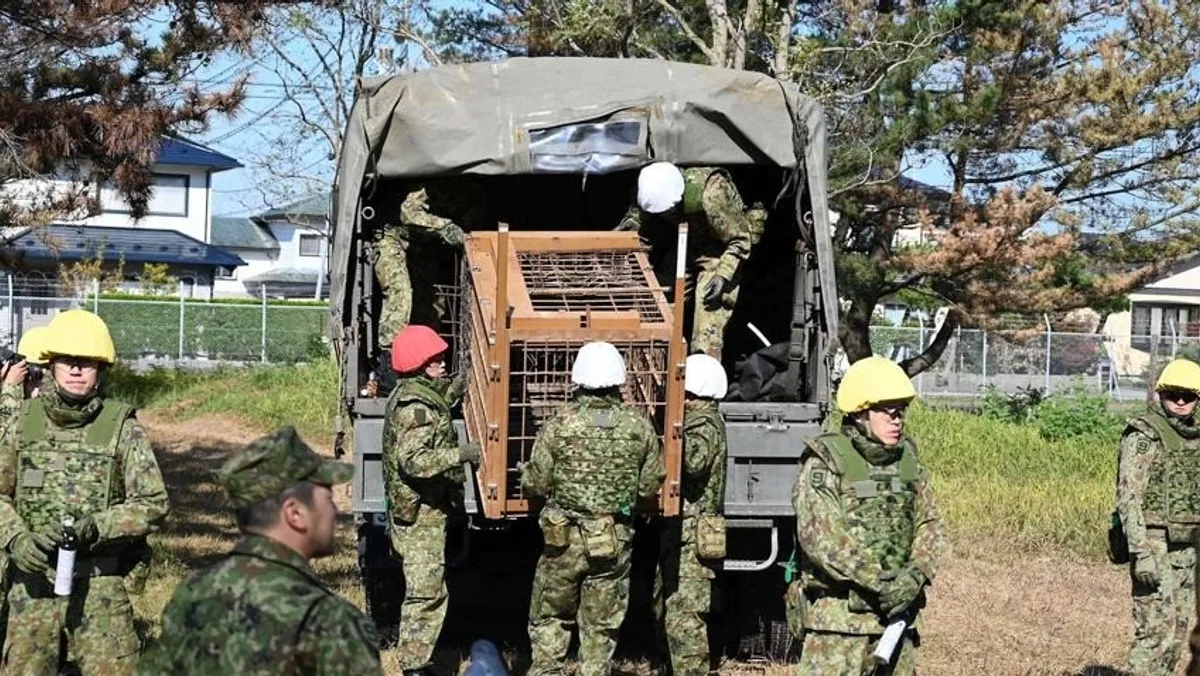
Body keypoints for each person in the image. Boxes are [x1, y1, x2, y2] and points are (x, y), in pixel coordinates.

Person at [136, 426, 382, 676]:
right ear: (295, 514)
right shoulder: (330, 621)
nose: (335, 511)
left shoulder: (193, 593)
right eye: (328, 499)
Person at [0, 309, 169, 674]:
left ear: (101, 369)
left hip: (99, 586)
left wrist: (97, 527)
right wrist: (16, 539)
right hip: (33, 587)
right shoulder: (22, 422)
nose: (77, 370)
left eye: (87, 362)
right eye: (68, 361)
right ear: (51, 365)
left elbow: (153, 503)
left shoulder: (122, 428)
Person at [789, 356, 945, 676]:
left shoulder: (908, 461)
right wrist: (883, 583)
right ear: (861, 413)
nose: (897, 420)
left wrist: (915, 576)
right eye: (888, 411)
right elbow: (822, 540)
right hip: (838, 628)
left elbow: (930, 524)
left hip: (896, 623)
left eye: (901, 411)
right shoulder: (826, 462)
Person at [522, 341, 665, 676]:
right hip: (613, 540)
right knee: (601, 626)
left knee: (550, 617)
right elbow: (649, 486)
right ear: (618, 379)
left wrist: (525, 475)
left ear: (579, 378)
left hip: (564, 541)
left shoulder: (560, 424)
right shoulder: (639, 426)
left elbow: (537, 484)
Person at [382, 324, 480, 676]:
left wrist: (457, 387)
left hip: (420, 511)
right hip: (419, 515)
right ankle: (413, 666)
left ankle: (416, 662)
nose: (441, 362)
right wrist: (461, 454)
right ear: (418, 364)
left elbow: (438, 403)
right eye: (435, 359)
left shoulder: (415, 393)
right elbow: (414, 461)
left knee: (428, 589)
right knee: (426, 593)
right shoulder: (414, 407)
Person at [619, 162, 766, 359]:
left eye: (667, 211)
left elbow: (740, 239)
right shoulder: (649, 190)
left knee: (707, 324)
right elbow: (635, 224)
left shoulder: (712, 193)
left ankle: (702, 369)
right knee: (656, 305)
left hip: (720, 251)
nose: (665, 215)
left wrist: (723, 275)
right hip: (684, 244)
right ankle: (653, 364)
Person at [1117, 358, 1200, 676]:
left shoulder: (1195, 435)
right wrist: (1140, 554)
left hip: (1187, 548)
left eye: (1188, 396)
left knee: (1177, 636)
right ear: (1161, 394)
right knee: (1154, 635)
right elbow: (1129, 498)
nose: (1180, 401)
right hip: (1154, 545)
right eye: (1173, 394)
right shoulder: (1144, 434)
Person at [656, 354, 728, 676]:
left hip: (693, 536)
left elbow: (694, 463)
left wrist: (673, 432)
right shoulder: (698, 420)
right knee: (668, 609)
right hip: (683, 533)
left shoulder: (704, 424)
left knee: (685, 619)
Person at [374, 181, 485, 350]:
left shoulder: (475, 191)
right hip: (392, 236)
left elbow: (471, 223)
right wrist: (444, 227)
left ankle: (426, 354)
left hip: (422, 245)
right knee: (400, 295)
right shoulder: (431, 184)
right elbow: (408, 213)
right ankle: (391, 353)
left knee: (430, 303)